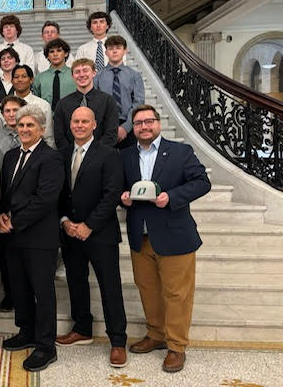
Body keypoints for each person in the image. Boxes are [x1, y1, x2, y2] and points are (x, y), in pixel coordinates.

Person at [120, 104, 211, 373]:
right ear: (133, 128)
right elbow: (121, 188)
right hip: (141, 234)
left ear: (158, 123)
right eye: (138, 123)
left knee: (177, 293)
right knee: (148, 289)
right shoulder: (125, 156)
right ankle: (156, 334)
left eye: (149, 121)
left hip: (174, 234)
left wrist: (172, 197)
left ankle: (177, 346)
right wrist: (123, 199)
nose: (144, 127)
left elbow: (201, 182)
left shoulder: (180, 152)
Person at [55, 107, 128, 368]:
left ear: (95, 124)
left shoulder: (109, 154)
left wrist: (89, 225)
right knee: (76, 282)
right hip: (70, 232)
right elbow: (59, 193)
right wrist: (64, 222)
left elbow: (112, 195)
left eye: (85, 121)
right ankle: (82, 328)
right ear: (69, 124)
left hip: (100, 234)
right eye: (75, 121)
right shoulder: (62, 154)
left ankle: (118, 341)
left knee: (110, 287)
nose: (79, 125)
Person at [0, 104, 64, 372]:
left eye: (30, 126)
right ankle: (26, 331)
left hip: (39, 238)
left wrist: (15, 221)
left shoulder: (51, 158)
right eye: (21, 125)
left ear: (42, 128)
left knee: (43, 291)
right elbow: (5, 192)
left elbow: (45, 199)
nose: (24, 129)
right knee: (19, 288)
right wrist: (1, 215)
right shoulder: (12, 156)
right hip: (12, 237)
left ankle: (46, 345)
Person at [0, 95, 27, 312]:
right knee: (6, 254)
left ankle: (28, 295)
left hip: (28, 205)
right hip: (3, 203)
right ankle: (10, 293)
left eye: (15, 110)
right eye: (7, 111)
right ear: (2, 115)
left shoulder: (30, 135)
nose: (11, 114)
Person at [54, 58, 119, 150]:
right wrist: (73, 153)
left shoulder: (108, 101)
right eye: (77, 72)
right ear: (72, 76)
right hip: (71, 157)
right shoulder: (62, 104)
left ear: (94, 73)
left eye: (85, 70)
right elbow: (59, 135)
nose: (81, 75)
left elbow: (111, 133)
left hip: (101, 156)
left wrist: (92, 153)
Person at [94, 35, 145, 149]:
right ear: (106, 52)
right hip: (105, 126)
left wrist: (125, 127)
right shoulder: (98, 76)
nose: (115, 51)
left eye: (118, 48)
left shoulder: (134, 76)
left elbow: (139, 103)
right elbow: (95, 103)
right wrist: (109, 127)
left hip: (129, 124)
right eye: (111, 48)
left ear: (124, 51)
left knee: (129, 161)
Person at [0, 65, 54, 148]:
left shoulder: (43, 105)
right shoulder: (2, 106)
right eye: (16, 77)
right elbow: (0, 136)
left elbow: (48, 137)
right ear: (12, 81)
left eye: (24, 76)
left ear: (31, 80)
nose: (20, 80)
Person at [0, 15, 35, 82]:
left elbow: (30, 71)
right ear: (2, 31)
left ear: (17, 30)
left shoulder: (27, 50)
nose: (8, 29)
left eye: (12, 26)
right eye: (5, 27)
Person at [32, 38, 76, 111]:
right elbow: (37, 99)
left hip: (70, 115)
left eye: (59, 50)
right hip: (46, 116)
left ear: (66, 53)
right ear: (47, 56)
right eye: (51, 52)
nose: (55, 54)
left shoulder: (74, 75)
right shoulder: (40, 77)